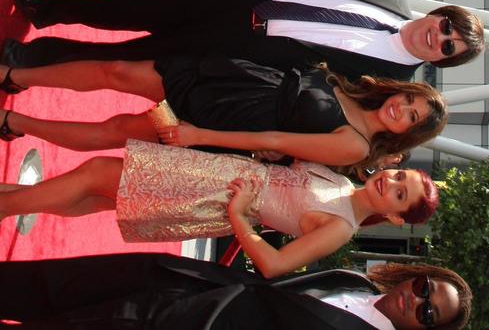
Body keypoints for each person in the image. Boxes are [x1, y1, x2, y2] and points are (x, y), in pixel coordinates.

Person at [0, 141, 437, 266]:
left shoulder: (342, 227)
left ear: (397, 217)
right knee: (100, 195)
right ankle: (9, 198)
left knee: (97, 173)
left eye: (401, 194)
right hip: (219, 174)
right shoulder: (343, 183)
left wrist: (236, 214)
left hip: (216, 197)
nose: (391, 183)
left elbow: (274, 264)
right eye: (400, 176)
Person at [0, 61, 447, 171]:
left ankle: (15, 124)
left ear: (405, 134)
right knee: (116, 70)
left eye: (411, 118)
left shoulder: (355, 144)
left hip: (227, 119)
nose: (401, 110)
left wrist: (199, 135)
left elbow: (275, 141)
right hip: (235, 76)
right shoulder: (355, 88)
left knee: (117, 130)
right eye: (410, 102)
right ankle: (16, 76)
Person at [6, 0, 485, 81]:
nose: (438, 37)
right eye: (447, 27)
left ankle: (32, 61)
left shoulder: (390, 84)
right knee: (135, 4)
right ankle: (49, 8)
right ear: (440, 13)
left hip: (244, 49)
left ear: (442, 59)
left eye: (448, 47)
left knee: (128, 57)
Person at [0, 253, 474, 330]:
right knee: (56, 283)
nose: (417, 299)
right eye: (425, 287)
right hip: (187, 282)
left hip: (187, 324)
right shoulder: (356, 281)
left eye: (428, 312)